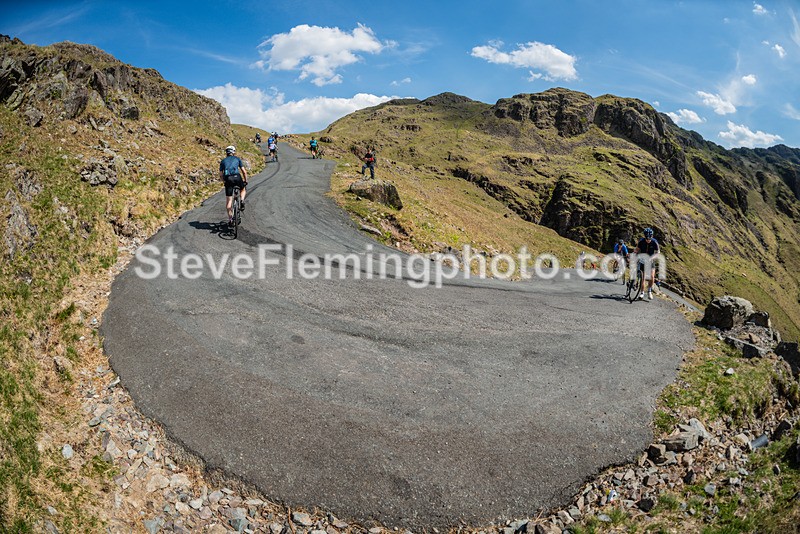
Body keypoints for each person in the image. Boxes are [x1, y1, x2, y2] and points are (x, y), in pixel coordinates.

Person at [219, 146, 248, 224]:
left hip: (228, 179)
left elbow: (221, 175)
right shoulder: (237, 159)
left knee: (229, 202)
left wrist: (224, 182)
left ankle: (231, 219)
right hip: (237, 177)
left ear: (227, 153)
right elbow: (244, 172)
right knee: (243, 189)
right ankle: (242, 201)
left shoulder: (223, 161)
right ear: (233, 152)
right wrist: (246, 181)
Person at [633, 228, 660, 300]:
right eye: (647, 238)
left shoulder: (655, 242)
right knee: (643, 278)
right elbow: (637, 249)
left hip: (650, 260)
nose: (648, 240)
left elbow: (657, 253)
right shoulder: (641, 241)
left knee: (652, 276)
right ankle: (642, 293)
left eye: (649, 239)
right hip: (642, 260)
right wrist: (634, 253)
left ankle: (649, 291)